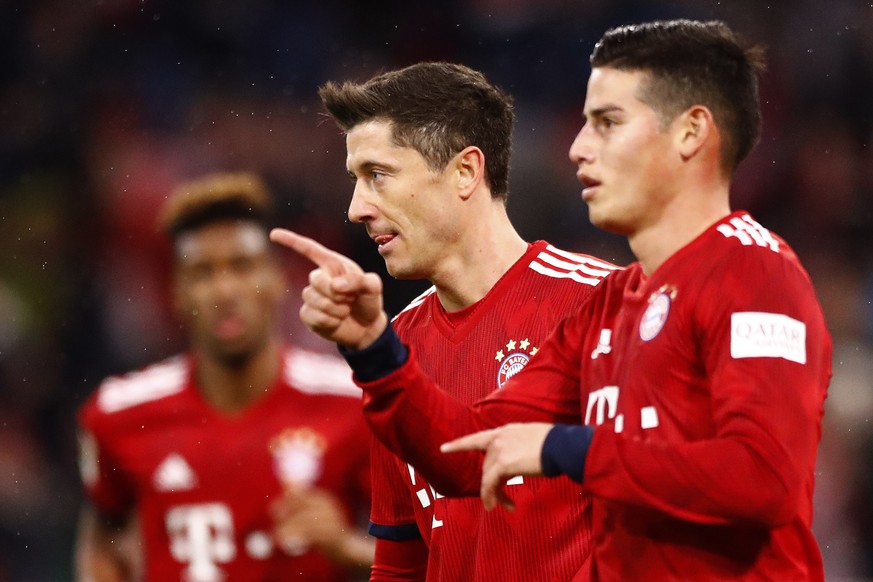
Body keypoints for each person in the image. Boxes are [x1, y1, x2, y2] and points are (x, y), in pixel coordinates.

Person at [272, 19, 833, 581]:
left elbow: (765, 481)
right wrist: (373, 349)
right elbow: (470, 453)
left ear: (690, 133)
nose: (578, 146)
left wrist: (571, 448)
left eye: (607, 123)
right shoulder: (612, 304)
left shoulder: (751, 268)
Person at [280, 62, 618, 580]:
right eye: (355, 180)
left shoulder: (602, 305)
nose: (355, 208)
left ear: (465, 171)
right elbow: (402, 562)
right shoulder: (392, 354)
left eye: (378, 175)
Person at [75, 172, 374, 582]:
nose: (224, 290)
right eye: (202, 272)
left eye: (242, 266)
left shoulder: (353, 401)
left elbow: (423, 553)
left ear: (277, 281)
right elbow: (103, 538)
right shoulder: (120, 413)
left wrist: (346, 546)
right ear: (177, 292)